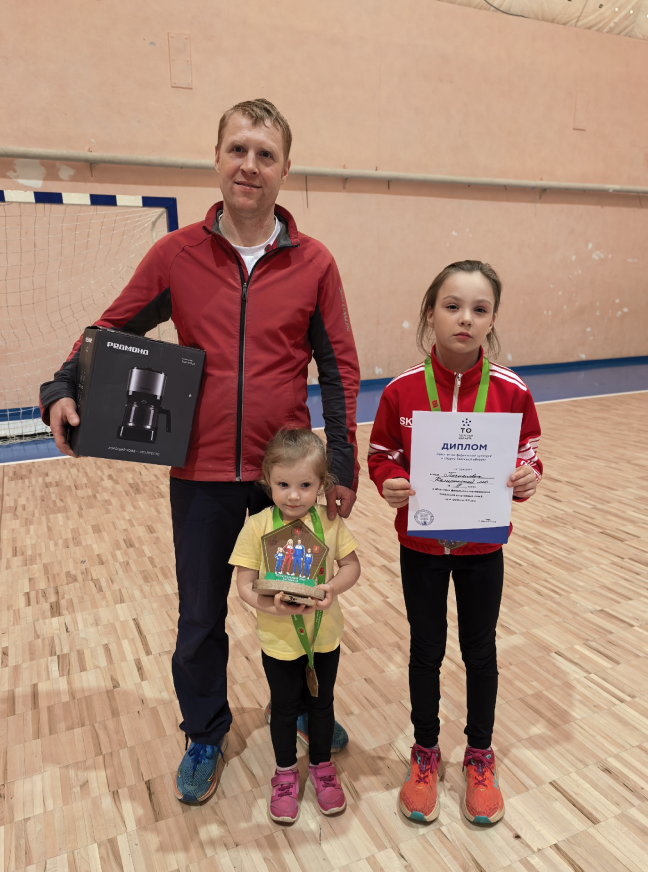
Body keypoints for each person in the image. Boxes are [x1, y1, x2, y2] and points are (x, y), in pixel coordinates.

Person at [39, 99, 360, 804]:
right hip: (202, 472)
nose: (250, 165)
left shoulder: (315, 263)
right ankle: (206, 731)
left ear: (284, 169)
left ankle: (304, 712)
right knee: (200, 616)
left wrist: (341, 460)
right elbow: (110, 329)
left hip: (287, 480)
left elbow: (338, 369)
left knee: (300, 603)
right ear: (217, 158)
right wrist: (62, 383)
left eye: (265, 154)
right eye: (238, 149)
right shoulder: (175, 255)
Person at [367, 260, 542, 825]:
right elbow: (382, 454)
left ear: (492, 320)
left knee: (480, 650)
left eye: (479, 309)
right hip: (420, 547)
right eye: (452, 306)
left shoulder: (512, 391)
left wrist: (526, 477)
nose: (465, 318)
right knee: (425, 649)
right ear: (430, 313)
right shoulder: (400, 391)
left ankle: (479, 754)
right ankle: (425, 751)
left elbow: (529, 451)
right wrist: (388, 481)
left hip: (481, 550)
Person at [231, 429, 361, 823]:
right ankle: (285, 773)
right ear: (267, 481)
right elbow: (243, 585)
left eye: (305, 485)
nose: (293, 496)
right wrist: (270, 606)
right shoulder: (257, 526)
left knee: (322, 706)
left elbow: (351, 566)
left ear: (322, 484)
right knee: (285, 710)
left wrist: (332, 588)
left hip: (324, 638)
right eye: (283, 484)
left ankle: (322, 767)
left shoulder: (330, 523)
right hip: (278, 641)